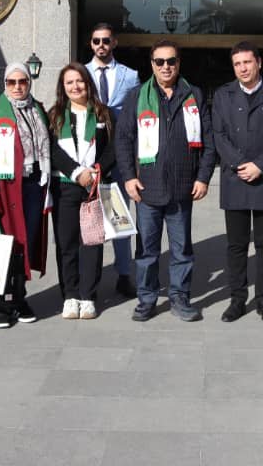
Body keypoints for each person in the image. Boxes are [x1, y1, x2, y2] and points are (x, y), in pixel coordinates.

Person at [115, 39, 215, 322]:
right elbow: (123, 140)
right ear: (152, 65)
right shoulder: (137, 96)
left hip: (183, 188)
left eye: (171, 61)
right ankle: (146, 299)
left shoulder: (193, 94)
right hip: (147, 189)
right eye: (159, 62)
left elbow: (209, 141)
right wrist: (129, 177)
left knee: (182, 250)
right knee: (147, 251)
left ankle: (179, 298)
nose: (166, 66)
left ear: (178, 63)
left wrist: (203, 177)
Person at [212, 42, 263, 324]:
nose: (243, 68)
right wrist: (239, 164)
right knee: (236, 245)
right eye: (237, 64)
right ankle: (237, 299)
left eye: (247, 62)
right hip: (234, 178)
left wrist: (260, 165)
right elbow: (218, 135)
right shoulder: (223, 95)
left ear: (258, 62)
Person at [0, 62, 51, 329]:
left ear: (29, 83)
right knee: (2, 245)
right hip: (5, 188)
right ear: (4, 83)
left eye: (22, 81)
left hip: (33, 186)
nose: (17, 87)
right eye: (12, 82)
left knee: (24, 244)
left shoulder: (38, 108)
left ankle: (19, 298)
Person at [47, 63, 116, 320]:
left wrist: (97, 169)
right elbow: (52, 150)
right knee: (66, 243)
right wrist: (76, 172)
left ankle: (88, 296)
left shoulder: (103, 113)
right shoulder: (55, 115)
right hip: (65, 186)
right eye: (69, 82)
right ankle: (70, 295)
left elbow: (113, 148)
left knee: (92, 241)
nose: (75, 86)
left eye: (80, 81)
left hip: (93, 187)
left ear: (88, 83)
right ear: (62, 87)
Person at [85, 22, 141, 299]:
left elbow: (137, 115)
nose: (101, 45)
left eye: (106, 40)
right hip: (89, 156)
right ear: (91, 43)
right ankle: (90, 279)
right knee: (90, 219)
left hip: (120, 155)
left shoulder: (131, 76)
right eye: (96, 41)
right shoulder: (81, 74)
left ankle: (124, 274)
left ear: (114, 43)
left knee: (120, 216)